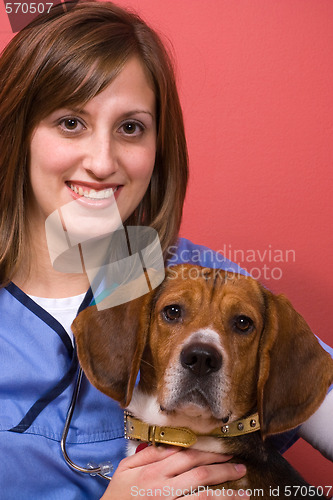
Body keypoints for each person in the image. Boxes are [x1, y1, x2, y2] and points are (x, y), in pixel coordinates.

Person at [0, 2, 331, 499]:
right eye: (71, 122)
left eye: (131, 127)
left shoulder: (201, 279)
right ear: (17, 131)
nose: (102, 160)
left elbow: (312, 386)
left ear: (159, 146)